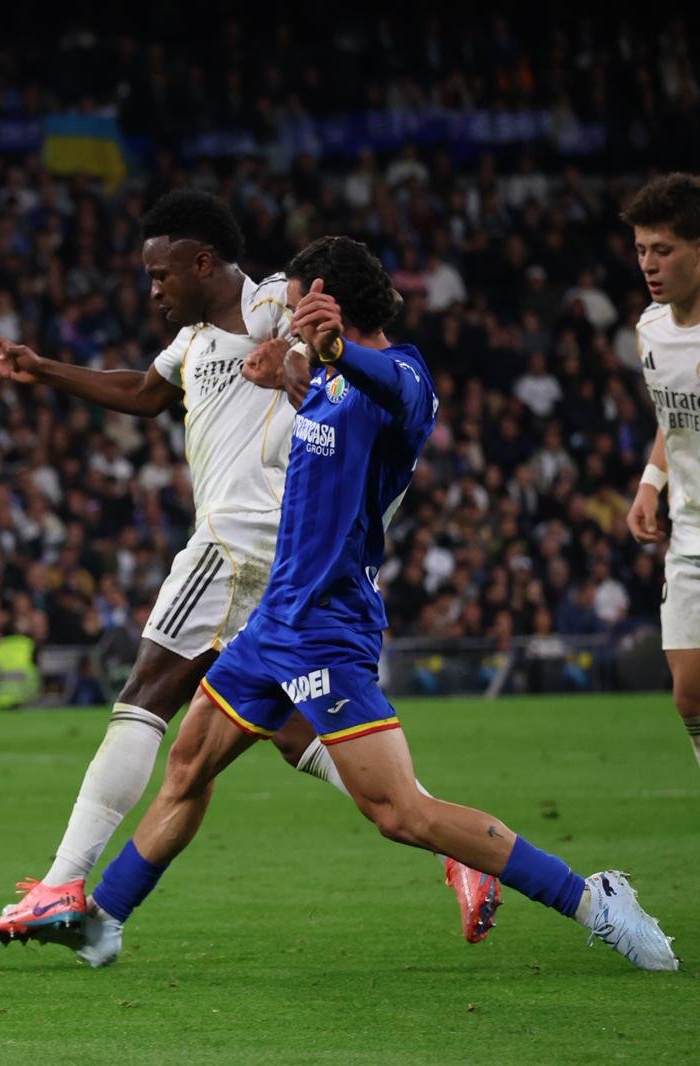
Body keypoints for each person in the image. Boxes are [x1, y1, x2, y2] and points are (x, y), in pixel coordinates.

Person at [53, 237, 677, 972]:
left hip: (328, 626)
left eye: (293, 311)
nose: (284, 325)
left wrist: (331, 351)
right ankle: (104, 922)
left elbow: (381, 388)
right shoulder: (321, 374)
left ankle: (593, 898)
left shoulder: (404, 378)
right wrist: (293, 374)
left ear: (331, 306)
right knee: (187, 768)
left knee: (400, 813)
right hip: (273, 620)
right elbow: (326, 428)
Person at [0, 191, 497, 946]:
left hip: (237, 541)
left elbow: (332, 347)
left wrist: (287, 354)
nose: (152, 291)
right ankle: (458, 847)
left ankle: (61, 884)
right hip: (279, 568)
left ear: (203, 263)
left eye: (160, 275)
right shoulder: (189, 345)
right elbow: (146, 394)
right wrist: (39, 368)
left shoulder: (272, 301)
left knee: (145, 692)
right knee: (287, 732)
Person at [622, 173, 700, 771]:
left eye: (664, 249)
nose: (649, 263)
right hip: (689, 535)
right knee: (689, 694)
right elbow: (673, 421)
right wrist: (651, 485)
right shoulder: (650, 329)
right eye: (643, 249)